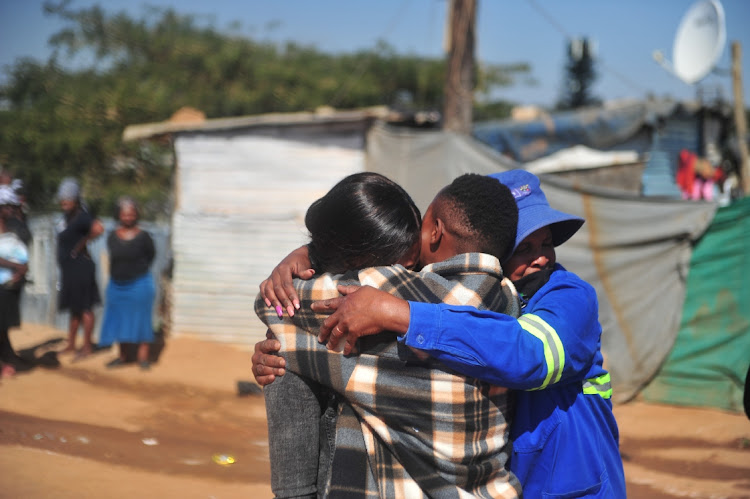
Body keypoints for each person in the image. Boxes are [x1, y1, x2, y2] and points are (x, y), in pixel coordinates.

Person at [257, 169, 627, 498]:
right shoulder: (451, 288)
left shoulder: (568, 297)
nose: (542, 258)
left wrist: (400, 314)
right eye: (524, 247)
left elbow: (527, 354)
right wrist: (309, 255)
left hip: (576, 488)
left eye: (547, 243)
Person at [99, 197, 156, 370]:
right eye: (125, 214)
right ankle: (123, 357)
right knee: (119, 320)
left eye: (131, 214)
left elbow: (151, 256)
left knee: (142, 320)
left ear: (136, 215)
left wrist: (137, 272)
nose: (128, 217)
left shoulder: (144, 236)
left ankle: (143, 358)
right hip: (117, 286)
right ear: (119, 215)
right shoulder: (112, 236)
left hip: (140, 285)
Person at [56, 178, 103, 359]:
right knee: (74, 309)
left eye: (68, 198)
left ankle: (87, 347)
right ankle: (71, 345)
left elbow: (99, 228)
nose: (65, 201)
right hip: (69, 270)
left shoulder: (83, 216)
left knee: (85, 308)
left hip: (82, 268)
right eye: (62, 198)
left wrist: (81, 244)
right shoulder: (66, 218)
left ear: (76, 199)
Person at [0, 185, 29, 377]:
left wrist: (21, 271)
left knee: (2, 326)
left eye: (12, 205)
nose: (11, 209)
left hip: (7, 287)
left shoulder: (15, 230)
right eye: (6, 206)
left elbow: (24, 259)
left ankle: (7, 360)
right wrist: (15, 266)